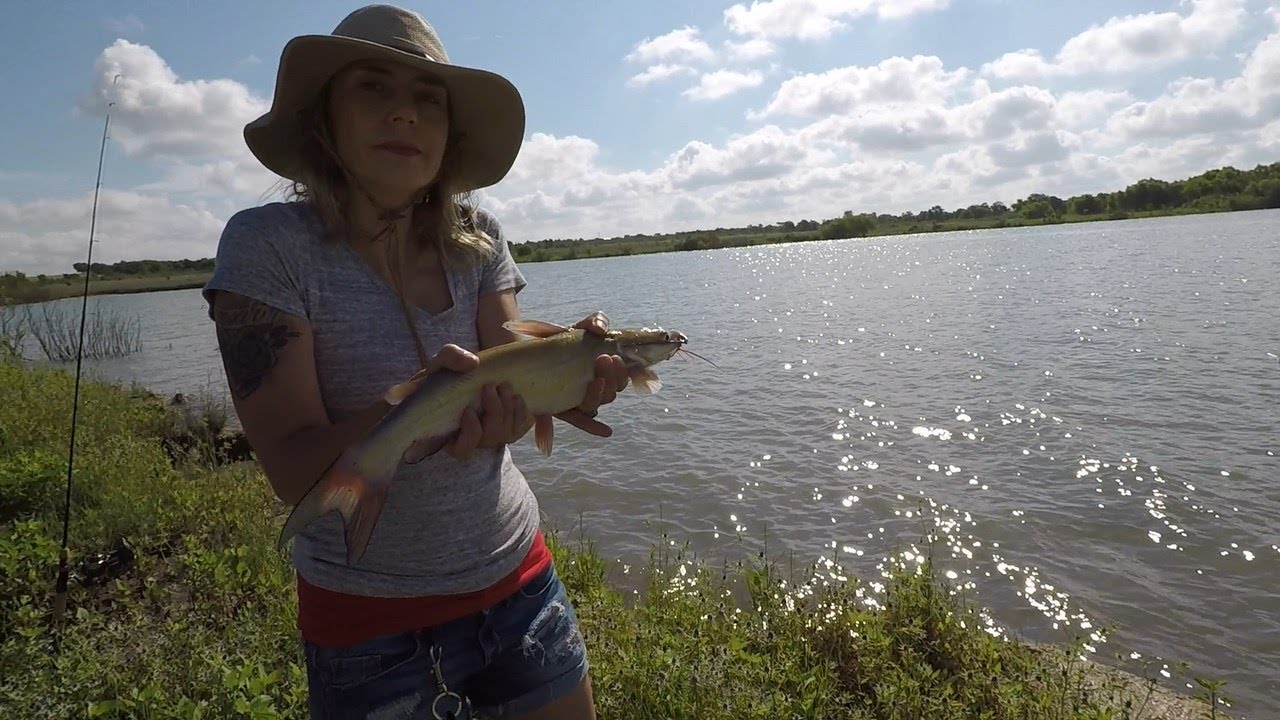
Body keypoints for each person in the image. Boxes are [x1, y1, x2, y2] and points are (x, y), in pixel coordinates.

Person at [201, 5, 627, 718]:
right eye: (373, 87)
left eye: (428, 100)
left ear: (449, 135)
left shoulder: (481, 236)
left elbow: (515, 379)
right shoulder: (267, 247)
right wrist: (419, 407)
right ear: (322, 120)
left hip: (519, 580)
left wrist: (576, 381)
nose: (405, 114)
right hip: (369, 621)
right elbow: (292, 470)